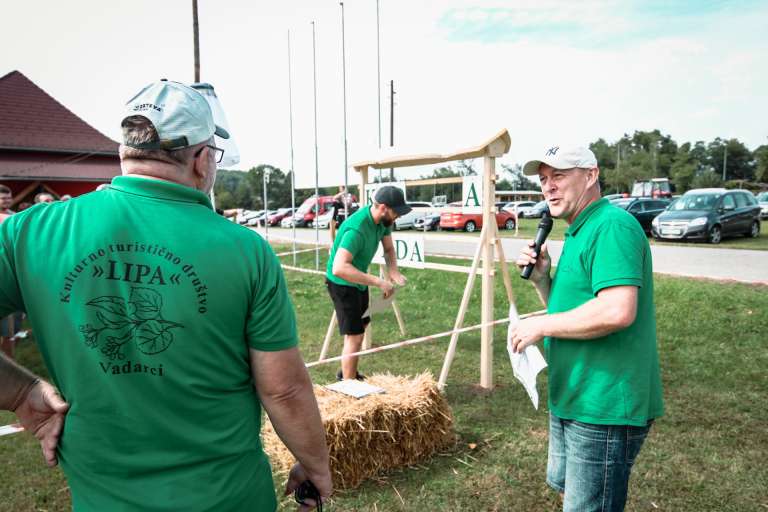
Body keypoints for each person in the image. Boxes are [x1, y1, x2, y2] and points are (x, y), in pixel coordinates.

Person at [0, 80, 331, 511]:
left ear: (125, 152)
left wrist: (20, 393)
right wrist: (316, 466)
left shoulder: (29, 232)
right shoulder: (245, 249)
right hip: (226, 497)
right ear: (201, 158)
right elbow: (283, 389)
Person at [510, 145, 664, 512]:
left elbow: (616, 311)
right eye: (544, 179)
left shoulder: (611, 226)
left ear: (591, 175)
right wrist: (543, 280)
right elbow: (575, 311)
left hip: (604, 404)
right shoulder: (579, 230)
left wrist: (541, 325)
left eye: (559, 176)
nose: (548, 187)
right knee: (572, 497)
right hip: (575, 396)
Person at [326, 186, 410, 380]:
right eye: (396, 211)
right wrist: (379, 282)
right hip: (341, 282)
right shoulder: (356, 229)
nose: (397, 216)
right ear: (382, 207)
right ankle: (348, 385)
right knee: (354, 336)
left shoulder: (384, 220)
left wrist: (393, 271)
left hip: (358, 280)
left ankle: (348, 373)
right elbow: (339, 267)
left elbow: (388, 249)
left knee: (360, 329)